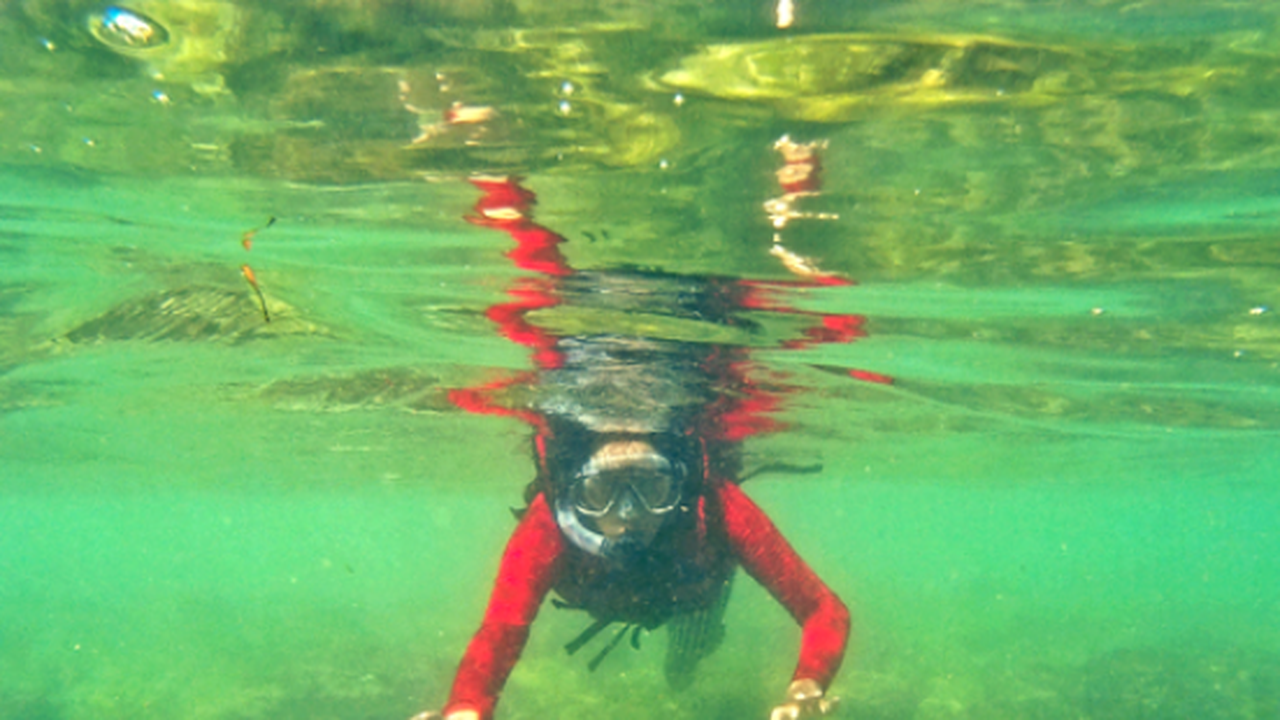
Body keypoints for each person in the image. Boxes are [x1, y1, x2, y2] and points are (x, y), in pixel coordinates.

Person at [412, 162, 867, 720]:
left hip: (694, 592)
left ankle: (501, 186)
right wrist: (467, 708)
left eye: (650, 485)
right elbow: (501, 631)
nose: (628, 514)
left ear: (679, 480)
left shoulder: (715, 510)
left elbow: (824, 610)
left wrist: (806, 690)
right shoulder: (548, 525)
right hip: (681, 582)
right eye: (604, 491)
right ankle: (786, 205)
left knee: (688, 658)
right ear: (572, 485)